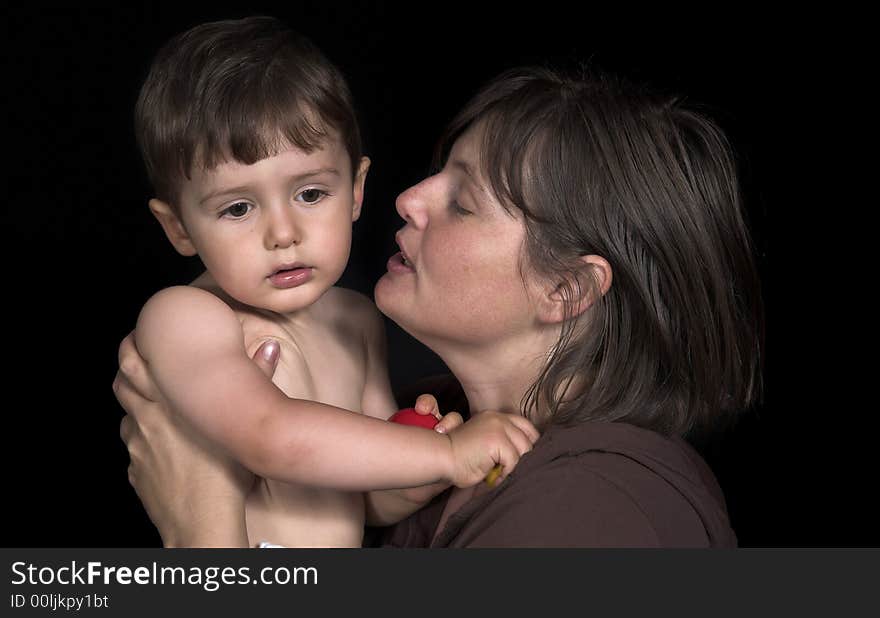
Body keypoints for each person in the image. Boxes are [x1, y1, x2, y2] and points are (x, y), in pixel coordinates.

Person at [116, 62, 764, 547]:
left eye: (462, 202)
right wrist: (422, 468)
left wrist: (200, 529)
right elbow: (348, 488)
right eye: (439, 173)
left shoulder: (591, 511)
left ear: (564, 289)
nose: (409, 199)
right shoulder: (445, 427)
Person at [123, 16, 539, 548]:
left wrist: (420, 462)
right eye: (238, 207)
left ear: (357, 190)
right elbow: (269, 437)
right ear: (178, 227)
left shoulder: (356, 320)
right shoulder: (186, 318)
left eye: (311, 194)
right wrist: (448, 455)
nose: (283, 233)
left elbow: (367, 501)